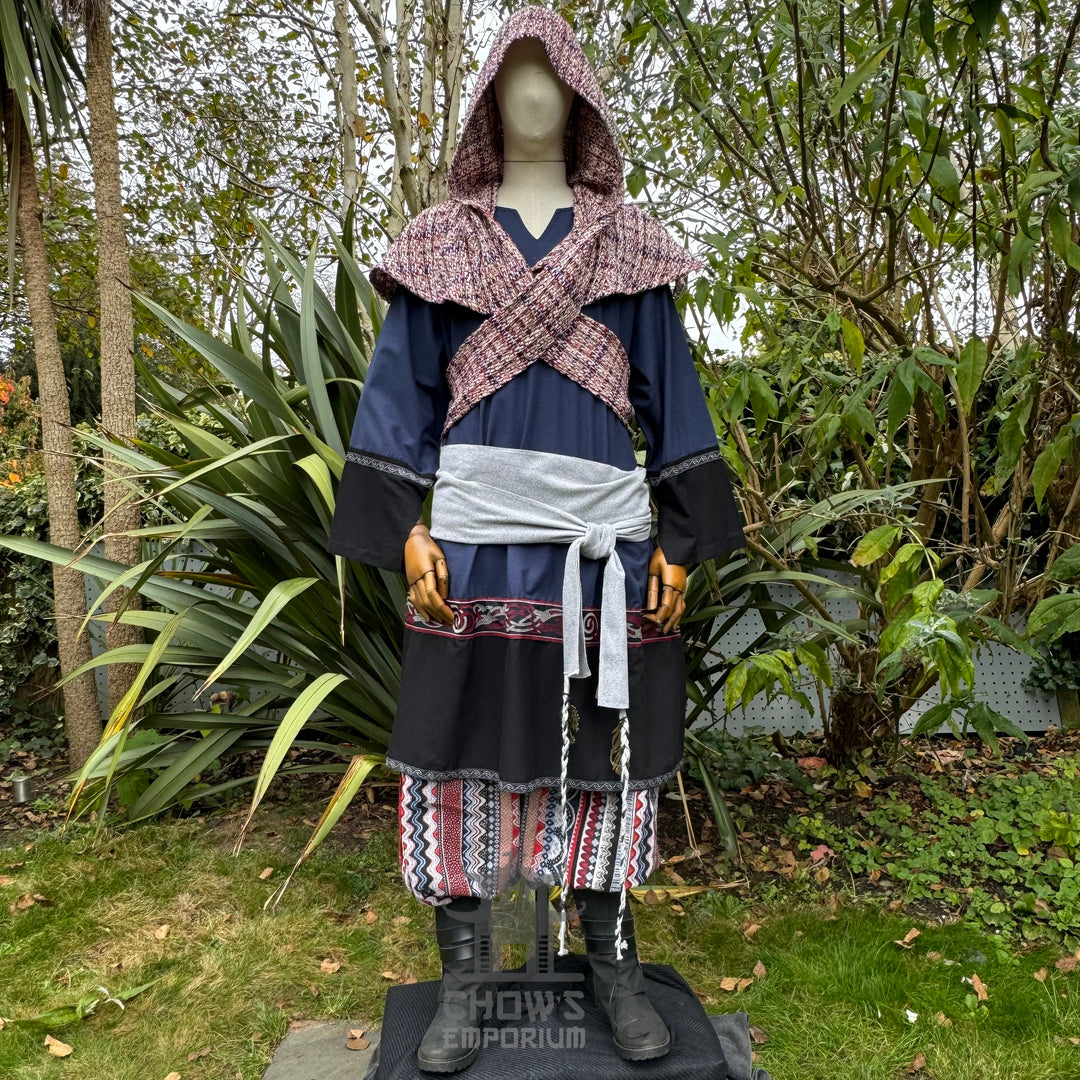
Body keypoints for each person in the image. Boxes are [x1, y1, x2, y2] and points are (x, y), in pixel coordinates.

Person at [325, 5, 745, 1073]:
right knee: (457, 758)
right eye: (510, 71)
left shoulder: (633, 248)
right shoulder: (438, 246)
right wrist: (405, 526)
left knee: (606, 754)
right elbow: (399, 399)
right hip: (472, 555)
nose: (529, 90)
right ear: (484, 98)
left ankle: (613, 964)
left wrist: (681, 540)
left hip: (603, 559)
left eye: (547, 71)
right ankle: (465, 977)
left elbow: (675, 398)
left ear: (579, 95)